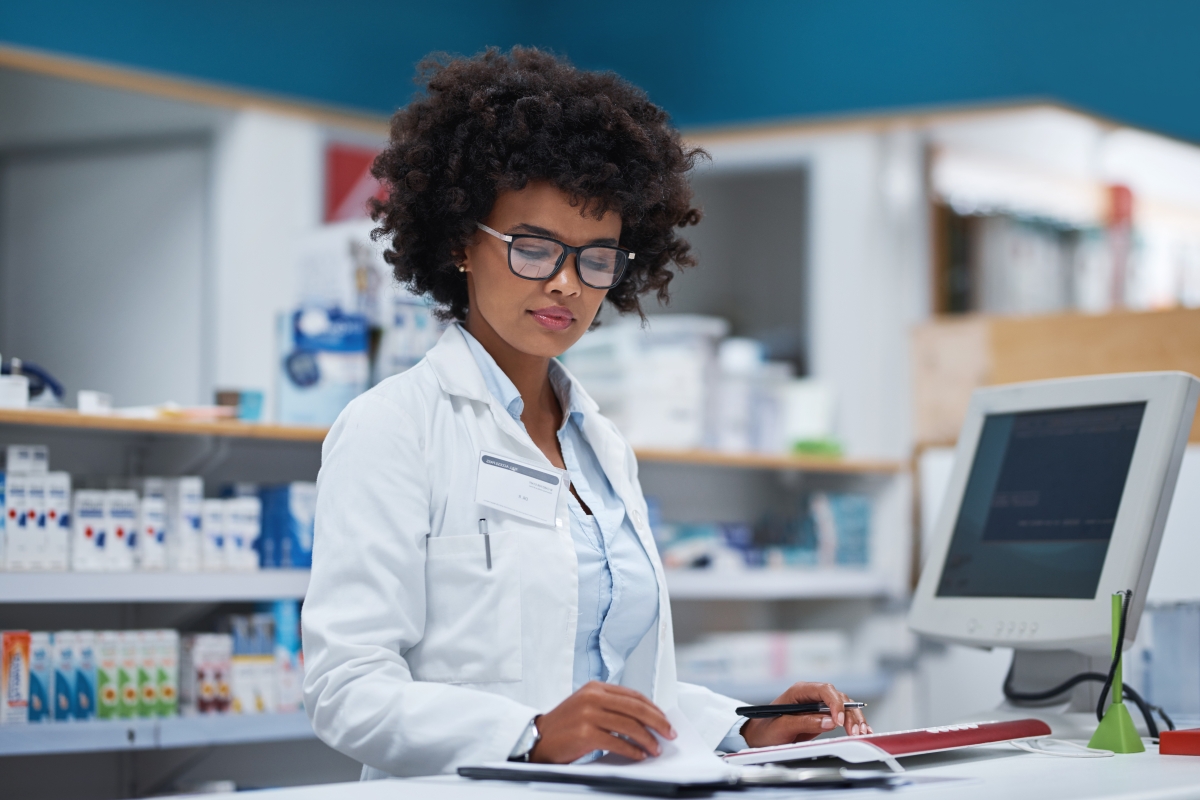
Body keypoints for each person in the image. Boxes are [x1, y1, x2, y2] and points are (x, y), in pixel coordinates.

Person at [301, 47, 870, 779]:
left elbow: (625, 692)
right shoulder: (394, 429)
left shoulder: (600, 445)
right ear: (459, 245)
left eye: (596, 258)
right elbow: (345, 690)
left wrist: (742, 727)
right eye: (534, 248)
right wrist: (528, 733)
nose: (567, 284)